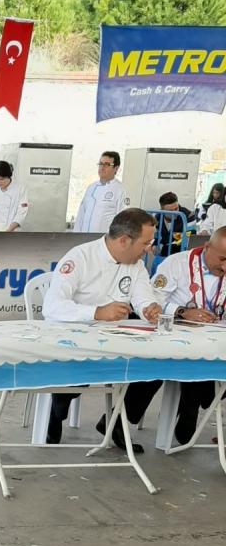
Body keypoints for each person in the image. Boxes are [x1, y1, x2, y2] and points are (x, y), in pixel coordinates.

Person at [43, 208, 162, 448]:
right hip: (75, 337)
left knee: (155, 367)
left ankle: (115, 421)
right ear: (124, 241)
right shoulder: (80, 257)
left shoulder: (136, 265)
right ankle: (54, 415)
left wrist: (149, 308)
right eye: (146, 243)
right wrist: (96, 312)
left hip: (116, 339)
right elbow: (52, 306)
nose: (150, 248)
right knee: (75, 373)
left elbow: (142, 297)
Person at [118, 228, 226, 444]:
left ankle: (190, 413)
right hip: (173, 335)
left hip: (215, 338)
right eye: (222, 259)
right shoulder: (176, 264)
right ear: (207, 248)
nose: (225, 267)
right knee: (160, 363)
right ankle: (120, 420)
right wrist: (183, 311)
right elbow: (150, 300)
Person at [73, 151, 130, 233]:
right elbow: (81, 215)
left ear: (116, 168)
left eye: (106, 164)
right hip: (84, 239)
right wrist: (76, 236)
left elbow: (123, 221)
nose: (102, 167)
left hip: (104, 241)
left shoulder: (121, 190)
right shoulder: (91, 188)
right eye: (100, 164)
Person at [156, 191, 192, 255]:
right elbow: (155, 236)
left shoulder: (188, 215)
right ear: (162, 210)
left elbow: (190, 238)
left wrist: (164, 247)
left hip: (181, 255)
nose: (175, 213)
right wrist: (154, 245)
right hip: (162, 254)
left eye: (176, 208)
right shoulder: (158, 217)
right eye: (170, 211)